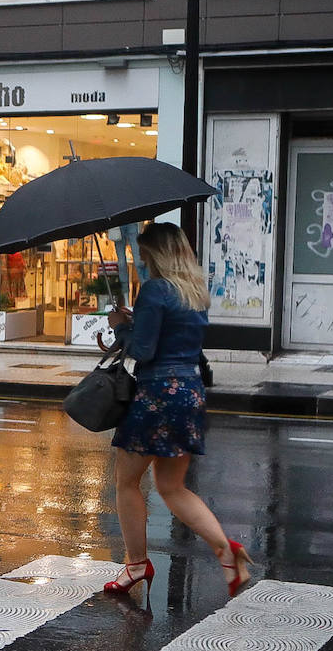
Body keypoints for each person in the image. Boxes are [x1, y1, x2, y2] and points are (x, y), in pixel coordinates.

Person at [105, 222, 251, 599]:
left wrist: (122, 328)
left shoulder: (155, 290)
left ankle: (136, 564)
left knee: (126, 482)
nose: (141, 259)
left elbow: (145, 351)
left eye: (145, 253)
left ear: (157, 254)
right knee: (171, 486)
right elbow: (172, 338)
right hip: (189, 392)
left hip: (157, 394)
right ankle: (226, 550)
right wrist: (137, 323)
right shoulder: (195, 292)